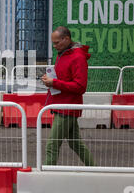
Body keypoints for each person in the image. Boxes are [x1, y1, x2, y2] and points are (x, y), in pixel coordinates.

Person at [41, 26, 95, 166]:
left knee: (52, 146)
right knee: (75, 144)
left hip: (66, 108)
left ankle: (46, 177)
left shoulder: (77, 57)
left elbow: (80, 87)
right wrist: (52, 81)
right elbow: (67, 80)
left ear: (66, 39)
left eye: (57, 42)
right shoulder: (65, 53)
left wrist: (55, 82)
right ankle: (95, 169)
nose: (54, 46)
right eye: (53, 43)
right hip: (64, 106)